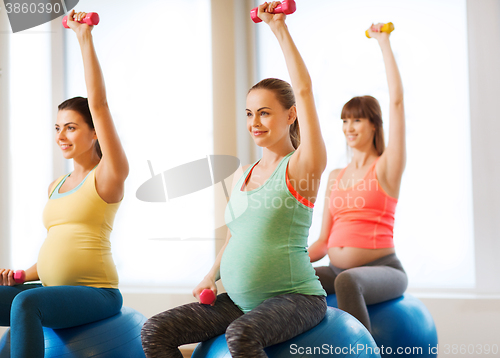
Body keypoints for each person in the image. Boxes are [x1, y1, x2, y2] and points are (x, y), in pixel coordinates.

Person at [141, 2, 328, 357]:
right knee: (155, 331)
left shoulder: (302, 166)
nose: (254, 122)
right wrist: (211, 273)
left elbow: (304, 92)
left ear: (290, 116)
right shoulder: (245, 173)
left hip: (295, 298)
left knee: (241, 336)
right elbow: (235, 234)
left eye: (264, 113)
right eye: (249, 114)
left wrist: (278, 29)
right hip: (239, 301)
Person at [0, 10, 128, 358]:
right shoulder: (56, 185)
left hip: (97, 292)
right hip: (50, 288)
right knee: (17, 297)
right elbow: (58, 247)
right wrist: (21, 274)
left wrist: (83, 36)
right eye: (57, 128)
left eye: (71, 127)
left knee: (26, 305)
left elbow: (99, 104)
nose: (61, 135)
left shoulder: (108, 174)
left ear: (94, 131)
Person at [308, 23, 408, 332]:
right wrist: (286, 261)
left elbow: (396, 102)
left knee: (347, 280)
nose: (349, 127)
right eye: (344, 121)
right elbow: (324, 241)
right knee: (291, 281)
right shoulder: (336, 175)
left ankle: (361, 353)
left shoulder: (387, 166)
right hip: (336, 267)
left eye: (358, 120)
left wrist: (383, 42)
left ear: (375, 125)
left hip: (383, 269)